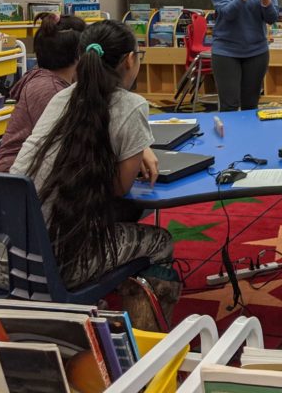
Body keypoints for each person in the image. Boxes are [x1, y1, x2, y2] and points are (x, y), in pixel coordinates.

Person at [11, 20, 171, 289]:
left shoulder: (61, 98)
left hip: (5, 258)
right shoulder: (132, 105)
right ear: (130, 60)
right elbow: (120, 188)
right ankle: (145, 328)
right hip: (52, 267)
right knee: (161, 241)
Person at [0, 13, 86, 172]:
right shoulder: (49, 90)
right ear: (79, 53)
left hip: (34, 174)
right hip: (19, 182)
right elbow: (71, 144)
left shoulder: (49, 80)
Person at [210, 0, 279, 111]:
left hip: (257, 52)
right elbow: (227, 13)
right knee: (230, 106)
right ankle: (228, 140)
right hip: (226, 52)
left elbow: (271, 18)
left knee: (250, 106)